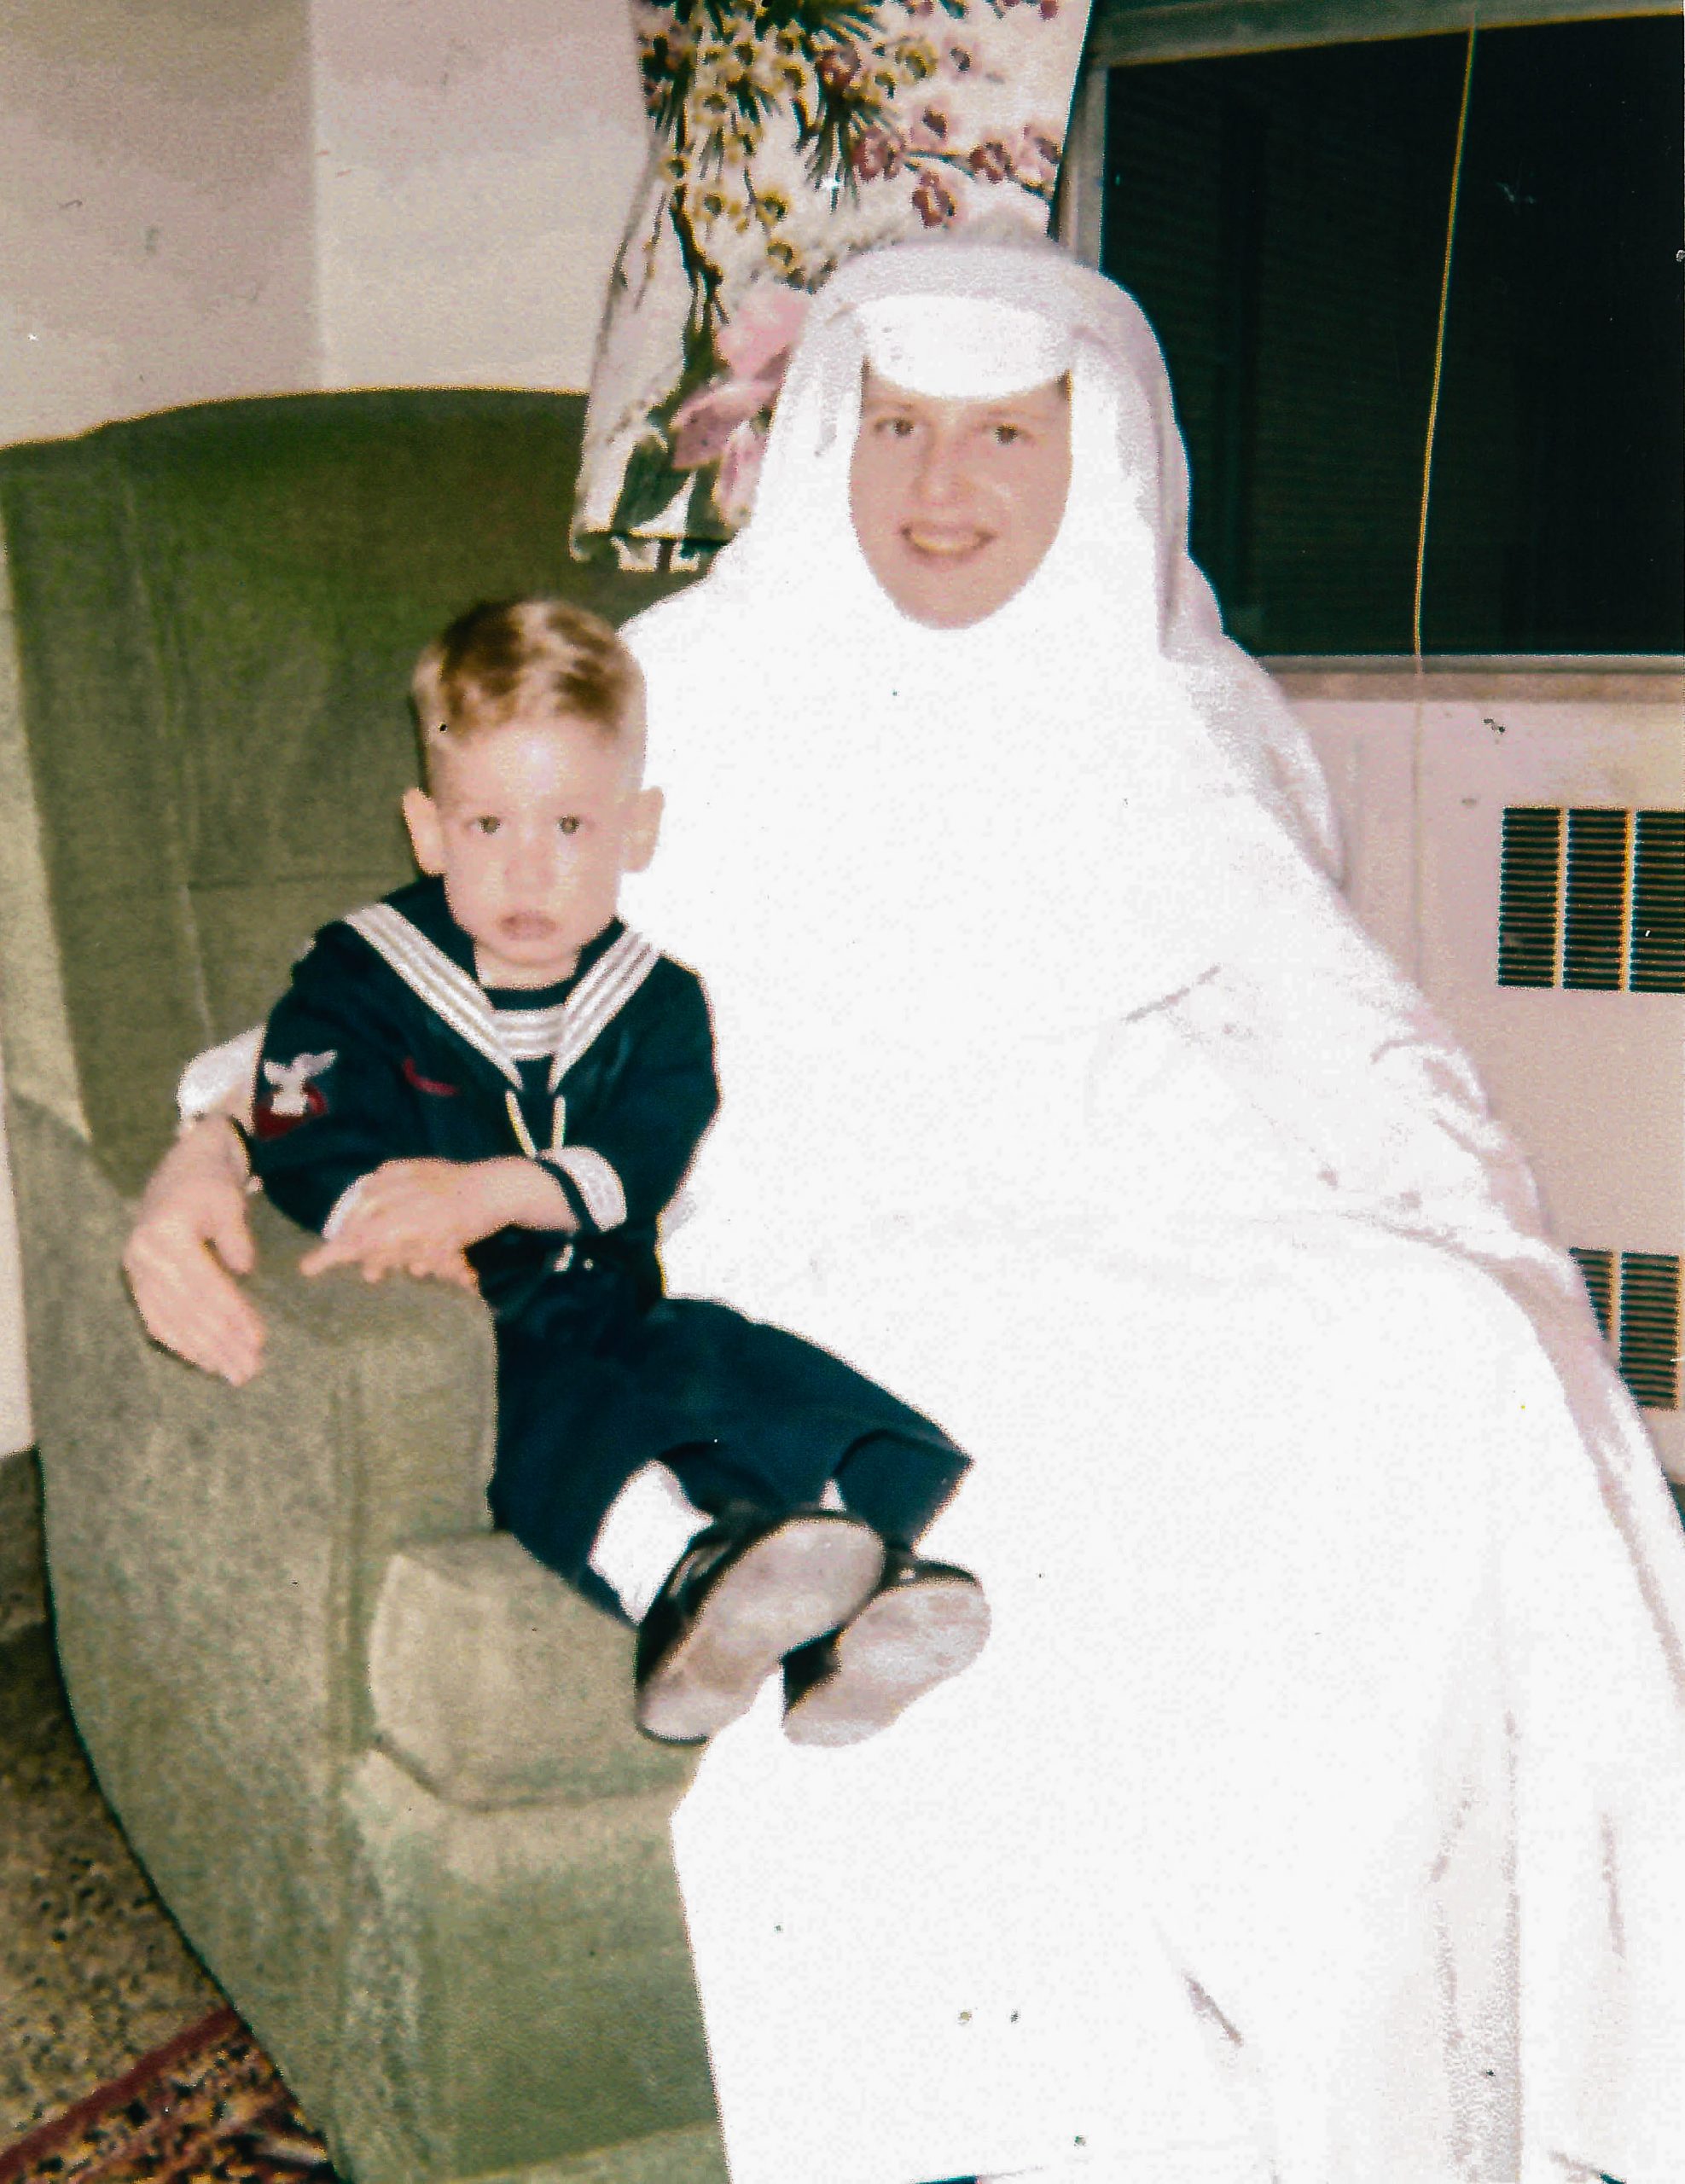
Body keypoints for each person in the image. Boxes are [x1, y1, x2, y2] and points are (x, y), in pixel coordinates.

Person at [125, 235, 1685, 2184]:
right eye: (899, 427)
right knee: (1114, 1442)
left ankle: (1418, 2087)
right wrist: (207, 1136)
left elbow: (1356, 1034)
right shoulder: (689, 689)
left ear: (1089, 452)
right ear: (830, 439)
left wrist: (1493, 1246)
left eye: (1004, 434)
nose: (943, 489)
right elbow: (441, 959)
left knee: (1440, 1351)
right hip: (848, 1225)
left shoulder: (1171, 711)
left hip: (1154, 1193)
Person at [239, 594, 985, 1748]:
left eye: (571, 829)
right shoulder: (361, 975)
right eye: (488, 827)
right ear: (429, 831)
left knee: (725, 1359)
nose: (529, 870)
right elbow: (301, 1119)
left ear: (635, 830)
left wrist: (494, 1188)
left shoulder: (658, 999)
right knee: (554, 1410)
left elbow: (644, 1150)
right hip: (464, 1318)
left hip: (610, 1297)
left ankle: (856, 1587)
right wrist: (386, 1214)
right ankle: (676, 1586)